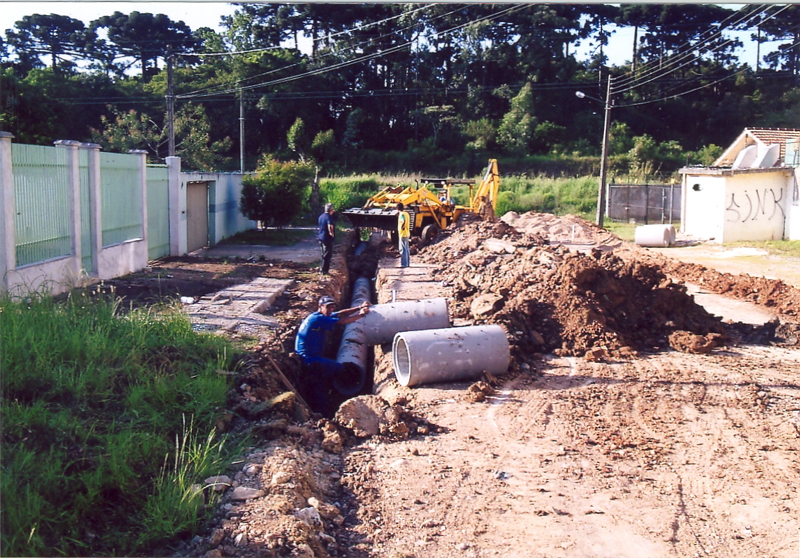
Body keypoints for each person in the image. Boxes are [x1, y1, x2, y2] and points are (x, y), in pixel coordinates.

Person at [295, 295, 371, 416]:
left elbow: (340, 314)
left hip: (312, 359)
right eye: (328, 307)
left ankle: (323, 407)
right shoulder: (318, 319)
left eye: (332, 307)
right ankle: (335, 396)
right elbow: (342, 321)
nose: (330, 310)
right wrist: (361, 314)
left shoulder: (319, 316)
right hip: (309, 360)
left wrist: (359, 307)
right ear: (320, 307)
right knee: (338, 368)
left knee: (319, 385)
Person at [318, 203, 335, 275]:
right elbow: (330, 226)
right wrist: (332, 234)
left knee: (323, 254)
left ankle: (321, 269)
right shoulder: (329, 217)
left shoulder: (321, 216)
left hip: (321, 237)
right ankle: (324, 271)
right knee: (327, 255)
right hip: (326, 238)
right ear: (331, 210)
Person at [396, 202, 410, 268]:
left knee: (403, 249)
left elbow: (403, 221)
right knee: (407, 248)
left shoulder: (401, 214)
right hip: (407, 233)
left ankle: (404, 264)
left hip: (403, 233)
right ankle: (407, 263)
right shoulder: (406, 213)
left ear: (397, 208)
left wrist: (402, 227)